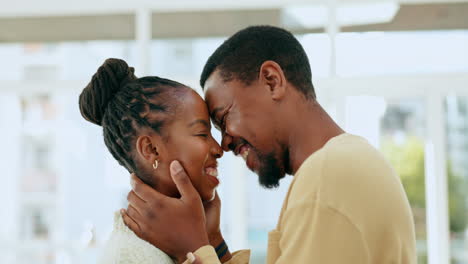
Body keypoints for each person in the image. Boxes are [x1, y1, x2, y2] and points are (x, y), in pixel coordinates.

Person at [123, 26, 417, 264]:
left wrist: (193, 248)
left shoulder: (328, 175)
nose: (224, 143)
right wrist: (214, 244)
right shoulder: (347, 160)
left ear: (272, 80)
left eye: (224, 118)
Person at [78, 58, 229, 264]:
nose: (219, 149)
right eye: (202, 133)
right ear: (151, 149)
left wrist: (212, 240)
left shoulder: (174, 245)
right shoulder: (130, 258)